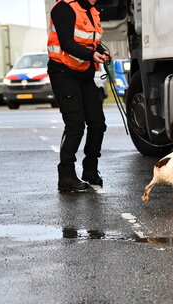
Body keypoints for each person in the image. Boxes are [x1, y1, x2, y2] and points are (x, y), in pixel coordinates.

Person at [47, 0, 110, 192]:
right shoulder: (64, 8)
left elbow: (90, 41)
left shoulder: (91, 10)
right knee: (75, 125)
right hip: (63, 73)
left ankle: (90, 170)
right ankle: (66, 176)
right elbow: (66, 43)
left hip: (84, 74)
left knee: (97, 122)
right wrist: (91, 56)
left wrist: (101, 50)